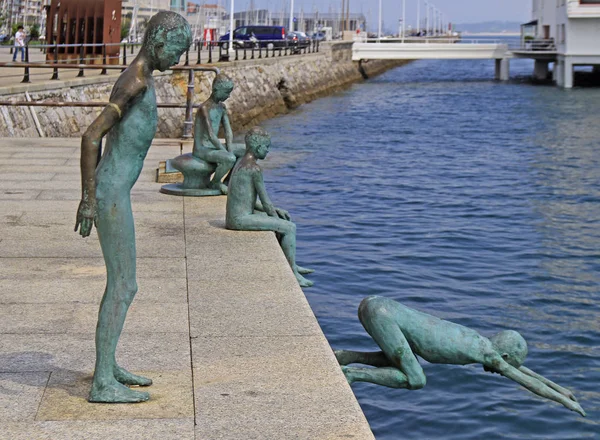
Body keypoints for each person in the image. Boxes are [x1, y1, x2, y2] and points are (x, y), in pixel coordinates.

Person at [75, 11, 192, 403]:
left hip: (114, 192)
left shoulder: (143, 77)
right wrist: (88, 200)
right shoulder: (136, 83)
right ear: (158, 40)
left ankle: (108, 366)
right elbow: (91, 137)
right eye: (177, 50)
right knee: (124, 285)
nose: (178, 59)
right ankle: (103, 383)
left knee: (123, 284)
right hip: (108, 194)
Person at [335, 296, 586, 417]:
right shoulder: (489, 354)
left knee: (404, 359)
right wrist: (566, 403)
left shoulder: (480, 340)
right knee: (416, 379)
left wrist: (561, 389)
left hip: (378, 305)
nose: (499, 370)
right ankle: (353, 374)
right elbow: (525, 380)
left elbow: (523, 371)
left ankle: (346, 357)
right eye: (505, 365)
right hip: (383, 315)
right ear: (504, 355)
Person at [225, 127, 314, 287]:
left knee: (280, 219)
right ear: (258, 147)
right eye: (267, 147)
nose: (268, 151)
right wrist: (276, 218)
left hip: (237, 215)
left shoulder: (241, 162)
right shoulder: (254, 169)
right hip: (239, 219)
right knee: (289, 228)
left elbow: (245, 199)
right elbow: (266, 203)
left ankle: (291, 263)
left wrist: (276, 214)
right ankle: (292, 273)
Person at [192, 73, 245, 195]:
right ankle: (215, 182)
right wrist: (225, 152)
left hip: (213, 147)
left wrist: (230, 148)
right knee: (230, 158)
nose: (228, 96)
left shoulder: (222, 107)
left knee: (245, 151)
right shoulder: (204, 108)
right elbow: (211, 135)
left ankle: (227, 181)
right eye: (226, 92)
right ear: (216, 90)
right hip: (202, 148)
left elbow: (228, 131)